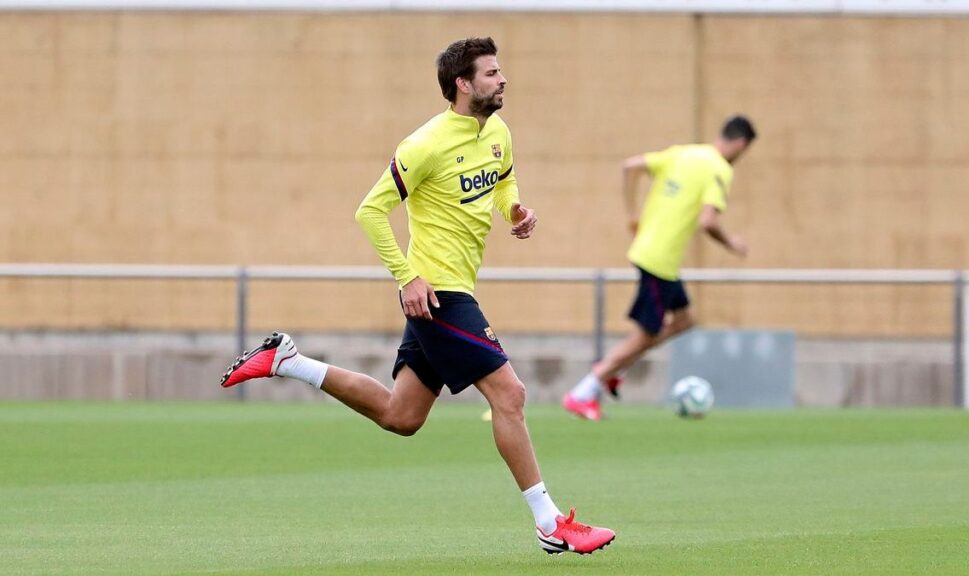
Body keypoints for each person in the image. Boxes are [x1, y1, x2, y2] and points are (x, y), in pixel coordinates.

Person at [220, 37, 614, 556]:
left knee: (400, 417)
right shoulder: (424, 144)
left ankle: (287, 361)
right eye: (492, 73)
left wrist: (514, 210)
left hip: (451, 289)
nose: (503, 80)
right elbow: (369, 211)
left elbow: (503, 180)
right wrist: (407, 277)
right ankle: (549, 523)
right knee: (510, 395)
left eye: (501, 71)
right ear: (463, 84)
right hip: (437, 292)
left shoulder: (497, 131)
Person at [563, 116, 757, 421]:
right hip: (659, 261)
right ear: (741, 145)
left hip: (654, 255)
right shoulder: (720, 168)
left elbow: (630, 167)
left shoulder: (684, 153)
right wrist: (732, 243)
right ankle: (584, 391)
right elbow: (708, 221)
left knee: (684, 320)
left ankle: (618, 368)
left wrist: (632, 214)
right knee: (643, 336)